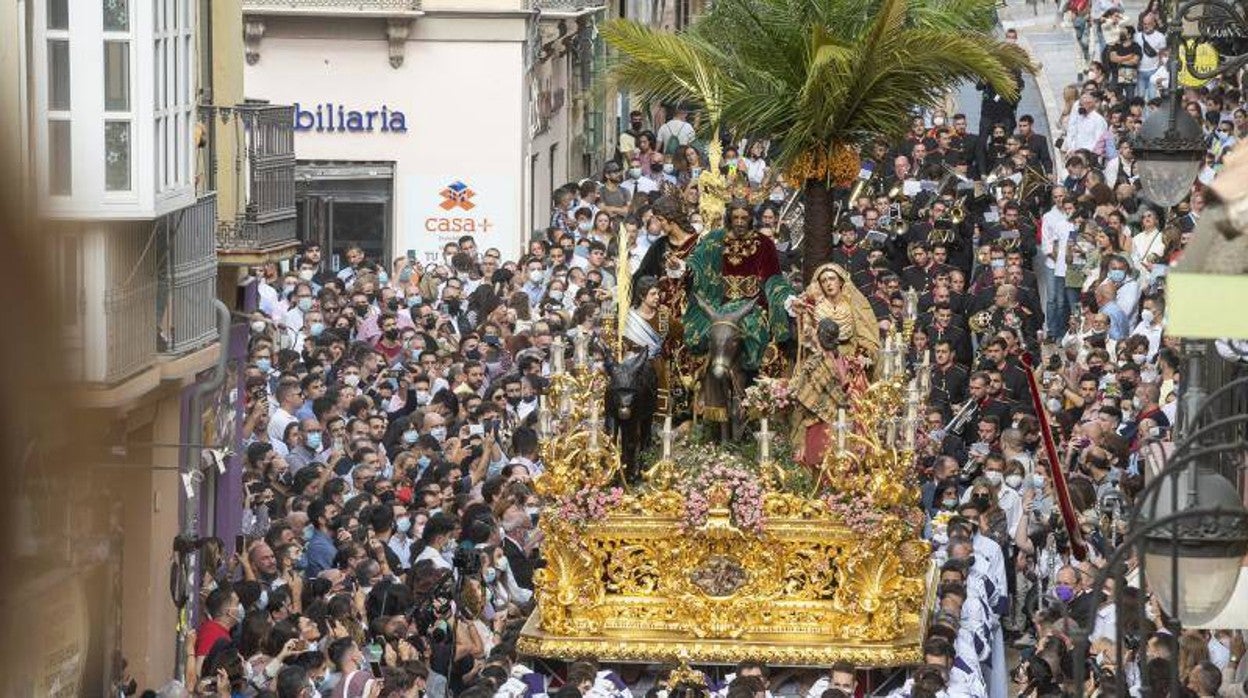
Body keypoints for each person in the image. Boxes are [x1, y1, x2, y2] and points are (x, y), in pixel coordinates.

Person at [683, 200, 797, 373]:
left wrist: (786, 298)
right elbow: (697, 261)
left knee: (751, 335)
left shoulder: (764, 244)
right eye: (735, 217)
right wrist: (682, 267)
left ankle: (751, 381)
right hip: (717, 304)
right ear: (729, 217)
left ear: (751, 218)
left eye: (744, 217)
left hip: (751, 308)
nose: (739, 222)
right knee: (701, 338)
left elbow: (774, 278)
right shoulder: (714, 239)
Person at [789, 319, 869, 467]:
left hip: (821, 421)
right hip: (841, 419)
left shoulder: (817, 362)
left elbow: (800, 391)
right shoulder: (843, 359)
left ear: (819, 336)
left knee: (822, 466)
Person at [797, 263, 881, 372]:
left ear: (841, 281)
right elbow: (806, 337)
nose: (828, 284)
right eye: (824, 281)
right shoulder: (814, 308)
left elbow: (866, 336)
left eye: (832, 279)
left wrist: (862, 355)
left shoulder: (852, 306)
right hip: (822, 363)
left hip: (850, 362)